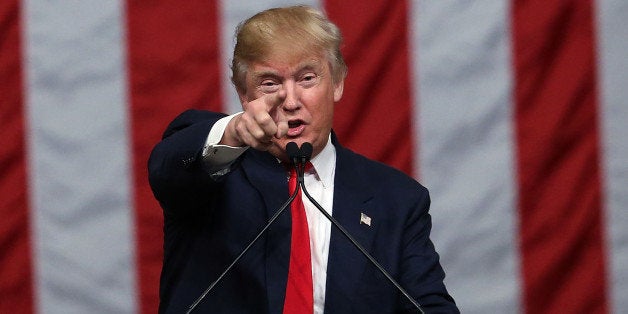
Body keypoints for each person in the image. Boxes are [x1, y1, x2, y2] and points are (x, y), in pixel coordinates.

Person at [148, 5, 458, 314]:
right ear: (245, 95)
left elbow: (428, 304)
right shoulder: (213, 167)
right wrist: (232, 132)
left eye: (307, 78)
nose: (291, 101)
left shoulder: (398, 199)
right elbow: (167, 168)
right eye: (270, 83)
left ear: (336, 83)